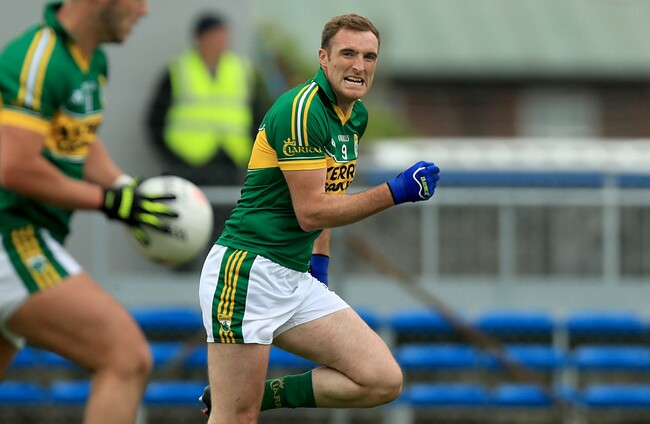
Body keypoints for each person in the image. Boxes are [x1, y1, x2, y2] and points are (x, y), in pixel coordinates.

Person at [197, 13, 440, 423]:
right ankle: (238, 401)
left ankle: (260, 395)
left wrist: (320, 266)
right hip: (248, 272)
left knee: (381, 379)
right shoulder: (302, 109)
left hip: (293, 277)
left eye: (369, 57)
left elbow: (331, 195)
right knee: (236, 417)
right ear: (323, 58)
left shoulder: (354, 116)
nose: (359, 66)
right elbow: (310, 211)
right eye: (348, 54)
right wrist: (396, 192)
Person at [0, 1, 178, 423]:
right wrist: (106, 201)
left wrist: (124, 188)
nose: (145, 11)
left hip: (29, 234)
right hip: (12, 233)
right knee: (125, 356)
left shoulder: (92, 61)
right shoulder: (37, 58)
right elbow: (14, 166)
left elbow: (78, 138)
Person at [146, 12, 271, 268]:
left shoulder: (242, 69)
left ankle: (217, 281)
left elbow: (261, 115)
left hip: (229, 161)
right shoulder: (179, 69)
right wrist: (172, 157)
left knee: (225, 230)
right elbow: (154, 120)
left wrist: (253, 154)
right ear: (201, 39)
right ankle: (182, 282)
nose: (222, 42)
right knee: (183, 229)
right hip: (188, 164)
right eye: (215, 36)